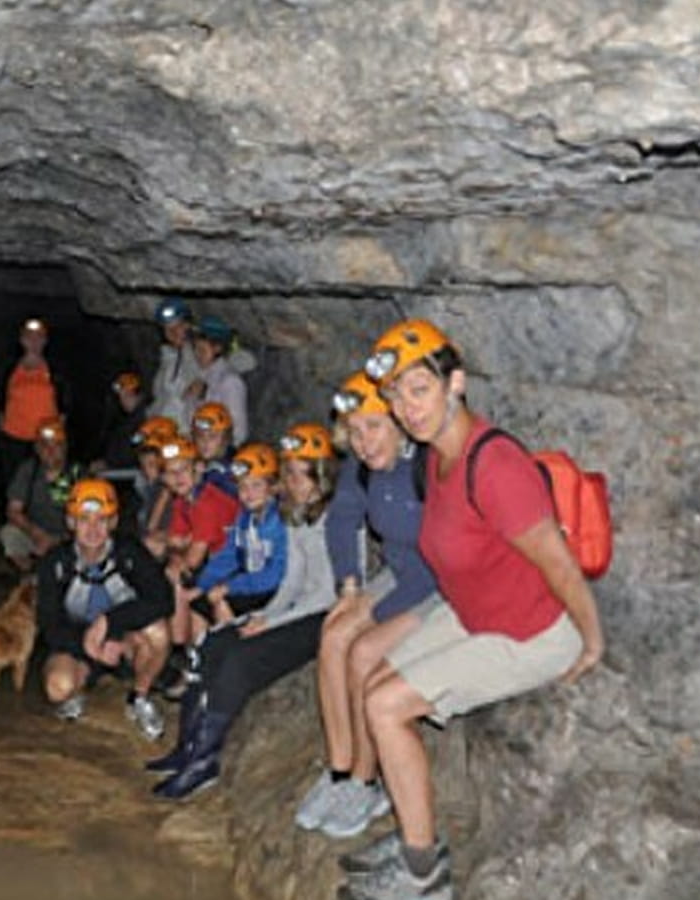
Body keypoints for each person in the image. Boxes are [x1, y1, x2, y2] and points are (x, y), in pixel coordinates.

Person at [338, 319, 605, 900]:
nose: (407, 408)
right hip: (471, 610)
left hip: (529, 631)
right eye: (396, 395)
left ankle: (423, 872)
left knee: (385, 707)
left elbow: (558, 562)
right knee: (374, 677)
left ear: (454, 382)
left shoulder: (495, 465)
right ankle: (417, 833)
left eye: (419, 388)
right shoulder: (434, 457)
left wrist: (590, 641)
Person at [146, 422, 342, 799]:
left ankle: (205, 760)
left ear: (322, 475)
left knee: (239, 660)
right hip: (296, 608)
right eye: (292, 474)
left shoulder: (333, 519)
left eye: (304, 475)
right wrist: (259, 618)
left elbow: (324, 593)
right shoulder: (296, 516)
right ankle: (188, 748)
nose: (297, 483)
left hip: (324, 616)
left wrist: (272, 621)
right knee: (213, 644)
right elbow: (291, 582)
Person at [293, 372, 443, 840]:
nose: (363, 441)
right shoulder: (362, 468)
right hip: (399, 574)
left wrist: (377, 612)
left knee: (362, 650)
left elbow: (437, 565)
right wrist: (350, 588)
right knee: (334, 633)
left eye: (373, 426)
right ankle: (339, 771)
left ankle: (365, 778)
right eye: (354, 431)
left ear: (399, 421)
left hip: (437, 585)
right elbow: (342, 521)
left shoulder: (428, 467)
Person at [36, 479, 173, 740]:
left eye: (102, 519)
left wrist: (110, 627)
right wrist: (91, 646)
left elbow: (162, 599)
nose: (93, 528)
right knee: (58, 687)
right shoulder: (55, 563)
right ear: (71, 522)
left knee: (158, 631)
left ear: (113, 522)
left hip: (126, 642)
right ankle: (81, 688)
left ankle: (140, 697)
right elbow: (49, 624)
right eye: (84, 519)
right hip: (81, 646)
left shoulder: (130, 553)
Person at [175, 443, 287, 646]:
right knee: (199, 604)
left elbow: (276, 574)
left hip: (273, 587)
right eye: (243, 486)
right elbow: (228, 556)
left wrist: (230, 587)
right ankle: (199, 658)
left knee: (222, 602)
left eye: (256, 485)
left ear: (273, 487)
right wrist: (202, 585)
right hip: (251, 582)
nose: (248, 493)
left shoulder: (279, 522)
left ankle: (229, 654)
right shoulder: (244, 518)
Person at [146, 437, 240, 647]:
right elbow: (175, 541)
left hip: (235, 566)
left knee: (176, 576)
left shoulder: (206, 502)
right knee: (172, 569)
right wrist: (177, 554)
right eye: (171, 472)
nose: (178, 477)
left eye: (184, 469)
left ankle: (180, 646)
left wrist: (178, 556)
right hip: (215, 563)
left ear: (198, 468)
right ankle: (190, 653)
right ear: (164, 478)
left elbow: (193, 559)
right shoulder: (184, 501)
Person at [0, 416, 82, 574]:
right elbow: (13, 511)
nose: (50, 451)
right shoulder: (28, 471)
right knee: (8, 534)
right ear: (37, 448)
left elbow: (88, 516)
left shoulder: (78, 474)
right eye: (44, 445)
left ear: (65, 447)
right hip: (36, 534)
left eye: (56, 445)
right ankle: (31, 573)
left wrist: (60, 540)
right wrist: (37, 534)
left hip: (68, 537)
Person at [0, 317, 62, 492]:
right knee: (15, 484)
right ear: (22, 340)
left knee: (44, 484)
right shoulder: (10, 368)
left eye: (39, 337)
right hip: (14, 437)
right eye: (30, 336)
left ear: (45, 341)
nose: (34, 341)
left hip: (47, 439)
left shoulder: (54, 369)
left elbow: (65, 400)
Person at [186, 315, 249, 445]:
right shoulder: (201, 377)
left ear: (218, 348)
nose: (197, 355)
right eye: (196, 349)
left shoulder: (230, 381)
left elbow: (239, 432)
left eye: (202, 350)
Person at [147, 298, 201, 433]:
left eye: (178, 326)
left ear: (188, 325)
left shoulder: (201, 354)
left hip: (186, 435)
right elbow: (161, 400)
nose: (173, 333)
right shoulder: (168, 358)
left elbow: (245, 361)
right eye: (167, 329)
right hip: (162, 432)